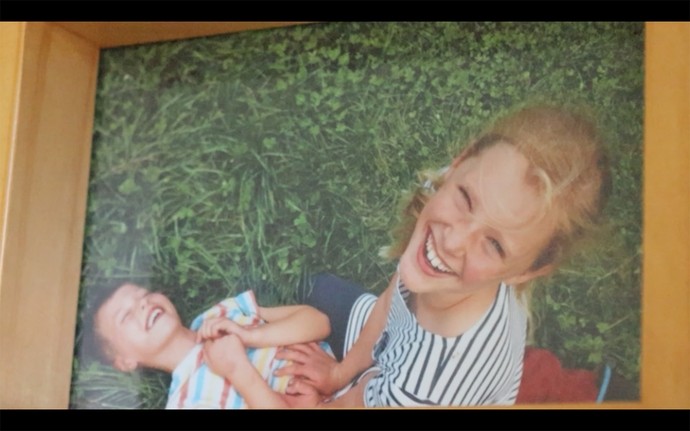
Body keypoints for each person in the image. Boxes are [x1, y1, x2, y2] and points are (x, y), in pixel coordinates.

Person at [275, 105, 611, 407]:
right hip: (388, 358)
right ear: (458, 164)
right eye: (466, 198)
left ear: (526, 271)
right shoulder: (439, 262)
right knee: (314, 287)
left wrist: (323, 402)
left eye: (493, 244)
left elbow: (358, 404)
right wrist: (338, 373)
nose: (453, 241)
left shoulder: (431, 387)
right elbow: (391, 300)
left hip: (399, 390)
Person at [85, 282, 330, 408]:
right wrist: (237, 369)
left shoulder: (221, 314)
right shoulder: (187, 404)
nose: (143, 305)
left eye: (144, 295)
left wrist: (250, 336)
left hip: (353, 380)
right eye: (125, 316)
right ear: (125, 361)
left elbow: (320, 323)